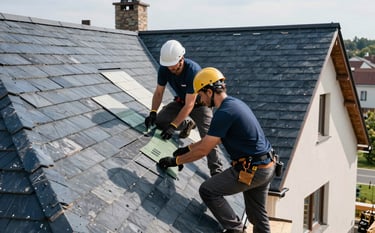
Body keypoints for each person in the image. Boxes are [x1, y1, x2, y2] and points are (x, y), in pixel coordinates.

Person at [158, 67, 276, 233]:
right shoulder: (234, 104)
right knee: (256, 215)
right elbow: (209, 141)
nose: (201, 101)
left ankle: (236, 230)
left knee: (208, 190)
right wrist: (186, 149)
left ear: (209, 91)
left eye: (201, 95)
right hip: (267, 166)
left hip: (253, 169)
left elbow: (204, 151)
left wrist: (175, 161)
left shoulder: (224, 113)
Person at [145, 40, 222, 176]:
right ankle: (187, 124)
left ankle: (216, 172)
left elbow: (190, 105)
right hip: (181, 102)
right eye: (169, 68)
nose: (171, 70)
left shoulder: (192, 71)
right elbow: (158, 92)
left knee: (209, 138)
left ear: (182, 59)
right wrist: (153, 112)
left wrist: (174, 126)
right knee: (160, 121)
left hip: (200, 105)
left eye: (174, 67)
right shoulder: (164, 68)